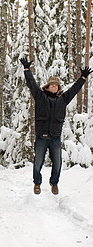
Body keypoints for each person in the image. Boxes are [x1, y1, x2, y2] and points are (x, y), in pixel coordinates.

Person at [20, 57, 92, 195]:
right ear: (47, 87)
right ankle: (37, 183)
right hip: (42, 136)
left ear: (58, 88)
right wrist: (27, 70)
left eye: (56, 85)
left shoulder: (63, 99)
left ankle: (54, 183)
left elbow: (74, 90)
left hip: (55, 138)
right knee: (38, 162)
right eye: (51, 84)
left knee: (58, 163)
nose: (54, 86)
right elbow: (32, 84)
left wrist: (83, 78)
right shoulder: (40, 97)